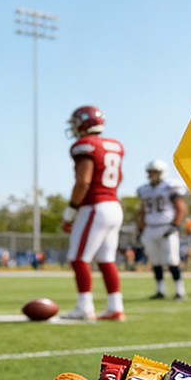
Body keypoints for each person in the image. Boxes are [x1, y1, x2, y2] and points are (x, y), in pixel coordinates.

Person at [60, 106, 125, 321]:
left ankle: (84, 308)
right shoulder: (114, 145)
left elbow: (84, 182)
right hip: (114, 205)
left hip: (95, 206)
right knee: (106, 260)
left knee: (78, 258)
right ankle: (116, 307)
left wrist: (70, 211)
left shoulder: (84, 146)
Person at [136, 160, 187, 300]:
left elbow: (181, 208)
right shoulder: (144, 189)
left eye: (152, 172)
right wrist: (140, 226)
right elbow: (143, 210)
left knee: (172, 260)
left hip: (166, 227)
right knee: (156, 262)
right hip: (150, 228)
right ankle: (160, 290)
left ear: (160, 173)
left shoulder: (170, 187)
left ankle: (180, 291)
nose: (149, 175)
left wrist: (175, 225)